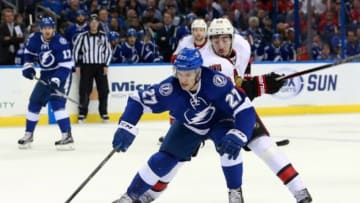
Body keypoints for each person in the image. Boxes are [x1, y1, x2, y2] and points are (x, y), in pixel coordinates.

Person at [143, 18, 313, 203]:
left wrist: (268, 81)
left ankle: (300, 191)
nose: (220, 45)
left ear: (232, 38)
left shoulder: (243, 47)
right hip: (201, 112)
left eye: (224, 39)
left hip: (231, 111)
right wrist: (263, 84)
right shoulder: (208, 61)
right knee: (176, 157)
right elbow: (231, 90)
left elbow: (241, 82)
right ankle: (150, 194)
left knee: (265, 146)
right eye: (216, 41)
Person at [112, 48, 256, 203]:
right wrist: (126, 125)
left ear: (199, 72)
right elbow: (137, 100)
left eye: (188, 74)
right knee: (163, 159)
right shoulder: (170, 88)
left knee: (229, 148)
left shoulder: (216, 83)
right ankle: (130, 196)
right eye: (180, 73)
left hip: (220, 121)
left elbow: (245, 108)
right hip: (190, 125)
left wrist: (241, 133)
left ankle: (235, 191)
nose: (183, 79)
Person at [18, 16, 74, 150]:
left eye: (50, 28)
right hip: (45, 75)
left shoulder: (60, 42)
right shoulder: (34, 39)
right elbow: (28, 54)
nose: (47, 31)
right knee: (34, 102)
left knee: (57, 104)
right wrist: (28, 67)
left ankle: (67, 136)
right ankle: (28, 134)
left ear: (53, 28)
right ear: (41, 29)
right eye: (44, 28)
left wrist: (56, 80)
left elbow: (66, 66)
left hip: (61, 74)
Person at [72, 14, 112, 123]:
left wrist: (106, 65)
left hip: (100, 66)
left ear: (98, 23)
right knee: (84, 90)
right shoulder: (82, 36)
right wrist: (77, 65)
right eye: (92, 22)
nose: (94, 24)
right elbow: (75, 51)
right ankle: (82, 114)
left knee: (104, 90)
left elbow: (108, 51)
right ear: (89, 23)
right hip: (86, 66)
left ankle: (103, 113)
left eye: (96, 22)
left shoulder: (104, 36)